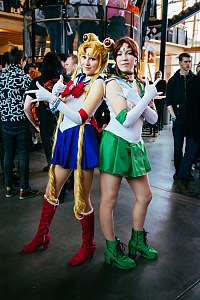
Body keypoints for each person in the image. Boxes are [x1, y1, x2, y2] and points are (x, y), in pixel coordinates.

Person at [22, 33, 114, 266]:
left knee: (82, 199)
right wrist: (55, 95)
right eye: (84, 56)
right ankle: (42, 235)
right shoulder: (78, 77)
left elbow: (82, 116)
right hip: (65, 137)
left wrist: (52, 99)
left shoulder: (99, 83)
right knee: (52, 189)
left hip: (83, 140)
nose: (86, 62)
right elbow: (64, 111)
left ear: (100, 61)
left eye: (92, 59)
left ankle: (88, 245)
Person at [98, 37, 159, 270]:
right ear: (115, 59)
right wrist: (144, 101)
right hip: (115, 143)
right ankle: (112, 250)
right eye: (120, 53)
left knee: (145, 196)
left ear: (136, 57)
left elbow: (153, 119)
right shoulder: (112, 83)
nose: (124, 57)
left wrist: (141, 99)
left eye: (129, 52)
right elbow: (124, 120)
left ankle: (137, 241)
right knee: (109, 200)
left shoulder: (142, 84)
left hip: (135, 145)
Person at [0, 46, 39, 199]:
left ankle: (8, 187)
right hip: (21, 121)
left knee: (8, 154)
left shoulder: (1, 76)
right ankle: (24, 188)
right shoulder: (24, 78)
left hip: (5, 121)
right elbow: (31, 101)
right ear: (22, 61)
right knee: (23, 155)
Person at [24, 52, 66, 173]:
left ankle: (53, 179)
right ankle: (67, 180)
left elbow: (26, 107)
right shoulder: (66, 80)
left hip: (46, 122)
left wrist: (35, 124)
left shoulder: (37, 81)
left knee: (50, 152)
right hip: (65, 121)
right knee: (66, 151)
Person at [166, 53, 196, 183]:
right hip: (178, 119)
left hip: (192, 121)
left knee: (191, 148)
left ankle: (186, 171)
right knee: (178, 148)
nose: (188, 64)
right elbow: (169, 101)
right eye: (185, 62)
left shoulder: (194, 79)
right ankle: (178, 171)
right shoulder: (173, 81)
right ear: (180, 62)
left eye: (189, 62)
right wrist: (174, 117)